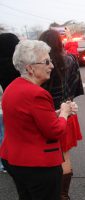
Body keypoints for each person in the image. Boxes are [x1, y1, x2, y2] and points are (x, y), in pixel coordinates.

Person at [0, 40, 77, 200]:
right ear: (30, 68)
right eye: (46, 62)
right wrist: (64, 112)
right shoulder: (37, 94)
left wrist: (59, 112)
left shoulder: (13, 87)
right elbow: (55, 131)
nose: (52, 66)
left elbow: (28, 118)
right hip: (38, 166)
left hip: (13, 159)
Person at [39, 29, 84, 200]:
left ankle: (57, 193)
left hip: (48, 113)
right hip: (68, 111)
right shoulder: (71, 59)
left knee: (49, 153)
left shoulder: (43, 63)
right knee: (65, 153)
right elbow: (76, 84)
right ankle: (63, 194)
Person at [0, 33, 20, 172]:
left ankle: (4, 162)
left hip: (3, 105)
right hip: (15, 104)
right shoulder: (17, 64)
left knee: (2, 133)